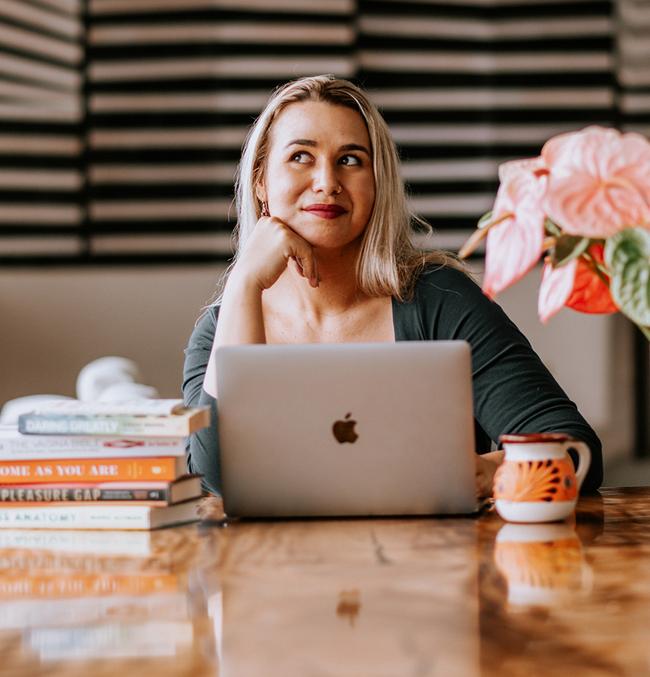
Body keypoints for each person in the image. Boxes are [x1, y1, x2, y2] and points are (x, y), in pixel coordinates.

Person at [183, 74, 603, 498]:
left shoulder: (441, 300)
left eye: (350, 160)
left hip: (430, 560)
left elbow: (574, 447)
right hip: (273, 562)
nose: (327, 181)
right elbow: (212, 474)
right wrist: (244, 284)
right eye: (301, 157)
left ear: (377, 182)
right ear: (261, 183)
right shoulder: (220, 329)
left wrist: (485, 471)